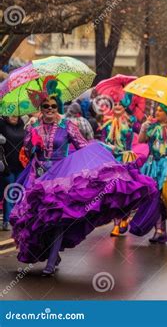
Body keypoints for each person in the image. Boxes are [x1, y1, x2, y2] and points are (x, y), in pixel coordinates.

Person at [9, 77, 157, 275]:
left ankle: (51, 263)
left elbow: (83, 147)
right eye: (46, 106)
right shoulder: (33, 128)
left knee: (58, 218)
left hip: (61, 179)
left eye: (54, 106)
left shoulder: (67, 127)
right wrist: (31, 140)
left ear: (58, 107)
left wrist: (104, 151)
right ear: (41, 108)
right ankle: (52, 253)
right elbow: (26, 154)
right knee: (38, 221)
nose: (50, 110)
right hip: (38, 178)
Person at [130, 104, 167, 244]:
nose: (157, 112)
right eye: (156, 109)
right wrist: (144, 128)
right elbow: (141, 140)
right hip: (152, 165)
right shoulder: (151, 126)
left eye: (160, 110)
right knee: (154, 198)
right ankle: (159, 230)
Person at [99, 95, 138, 237]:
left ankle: (125, 217)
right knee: (113, 194)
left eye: (119, 105)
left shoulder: (129, 124)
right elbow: (103, 141)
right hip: (110, 161)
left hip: (124, 161)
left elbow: (131, 142)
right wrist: (108, 147)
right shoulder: (107, 124)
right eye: (114, 104)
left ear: (124, 108)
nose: (116, 107)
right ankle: (116, 224)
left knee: (125, 193)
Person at [0, 116, 25, 230]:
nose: (13, 117)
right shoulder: (3, 125)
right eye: (11, 114)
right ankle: (7, 221)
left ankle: (17, 219)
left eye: (16, 114)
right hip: (7, 167)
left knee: (19, 193)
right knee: (10, 193)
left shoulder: (23, 125)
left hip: (21, 166)